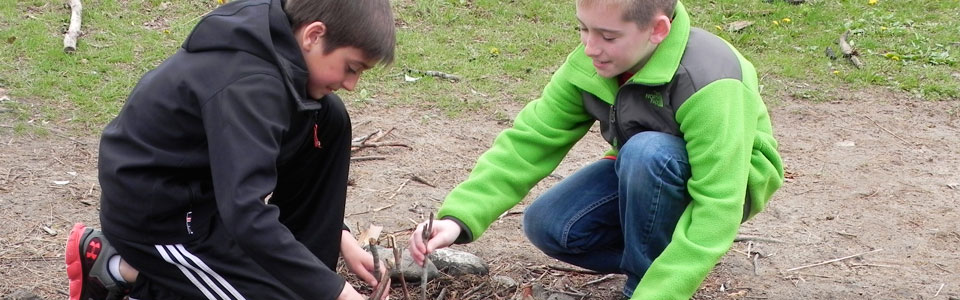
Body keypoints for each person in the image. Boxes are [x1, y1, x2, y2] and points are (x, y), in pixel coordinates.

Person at [409, 0, 784, 298]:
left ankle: (648, 282)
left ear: (657, 30)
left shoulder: (710, 82)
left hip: (727, 181)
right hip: (642, 169)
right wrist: (458, 218)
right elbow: (530, 140)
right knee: (549, 225)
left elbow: (719, 202)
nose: (590, 48)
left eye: (607, 36)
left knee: (647, 153)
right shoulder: (592, 63)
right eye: (583, 29)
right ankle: (668, 259)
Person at [64, 0, 395, 299]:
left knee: (328, 118)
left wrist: (337, 238)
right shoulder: (249, 86)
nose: (352, 84)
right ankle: (118, 268)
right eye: (351, 68)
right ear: (313, 35)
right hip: (163, 218)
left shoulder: (281, 44)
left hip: (213, 199)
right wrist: (337, 292)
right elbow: (246, 212)